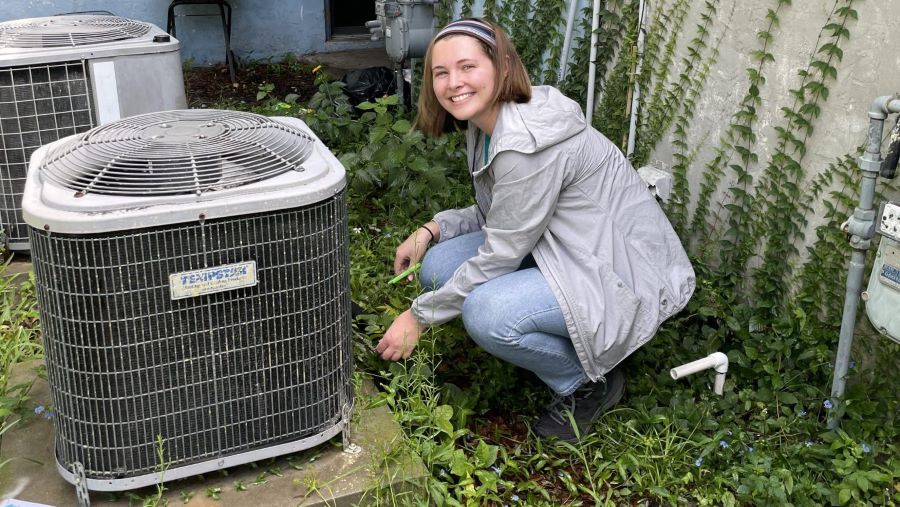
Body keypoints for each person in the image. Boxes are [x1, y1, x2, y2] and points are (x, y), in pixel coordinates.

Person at [374, 18, 695, 442]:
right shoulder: (486, 123)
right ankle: (559, 340)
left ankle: (587, 382)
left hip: (618, 275)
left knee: (486, 313)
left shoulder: (525, 144)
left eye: (468, 67)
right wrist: (433, 229)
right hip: (564, 249)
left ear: (503, 67)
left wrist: (418, 317)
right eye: (441, 72)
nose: (453, 83)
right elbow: (503, 212)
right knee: (439, 266)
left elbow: (501, 253)